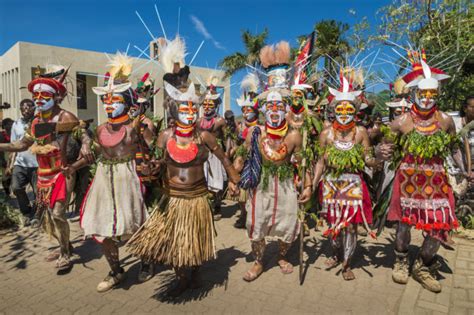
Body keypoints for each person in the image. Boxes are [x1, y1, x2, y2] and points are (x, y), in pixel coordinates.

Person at [127, 36, 240, 297]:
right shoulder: (166, 136)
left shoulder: (204, 136)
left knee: (197, 239)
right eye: (184, 107)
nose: (189, 111)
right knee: (177, 243)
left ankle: (197, 272)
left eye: (192, 107)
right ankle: (181, 279)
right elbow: (155, 160)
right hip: (174, 199)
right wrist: (149, 170)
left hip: (197, 198)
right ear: (174, 108)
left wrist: (233, 180)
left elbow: (223, 158)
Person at [68, 53, 154, 292]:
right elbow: (94, 154)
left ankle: (146, 262)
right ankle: (116, 271)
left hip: (130, 180)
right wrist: (74, 165)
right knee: (103, 227)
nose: (108, 103)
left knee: (136, 225)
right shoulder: (100, 130)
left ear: (126, 102)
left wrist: (148, 169)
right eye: (105, 99)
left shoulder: (137, 128)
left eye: (114, 99)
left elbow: (151, 155)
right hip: (104, 181)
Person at [0, 65, 93, 271]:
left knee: (59, 214)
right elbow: (20, 145)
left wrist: (85, 144)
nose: (38, 99)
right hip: (43, 175)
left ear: (55, 96)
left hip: (63, 172)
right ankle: (65, 245)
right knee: (47, 216)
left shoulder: (65, 117)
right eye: (36, 95)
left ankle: (66, 254)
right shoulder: (35, 121)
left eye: (43, 94)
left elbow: (83, 133)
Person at [388, 51, 463, 293]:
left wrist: (464, 172)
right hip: (408, 181)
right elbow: (385, 147)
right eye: (423, 93)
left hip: (438, 182)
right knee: (403, 226)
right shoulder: (401, 122)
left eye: (432, 94)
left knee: (440, 226)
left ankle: (423, 265)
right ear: (413, 93)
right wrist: (380, 153)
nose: (428, 98)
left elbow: (454, 149)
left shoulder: (445, 121)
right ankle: (400, 261)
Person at [236, 41, 311, 282]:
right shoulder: (256, 133)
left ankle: (281, 255)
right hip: (261, 185)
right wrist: (236, 170)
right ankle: (259, 261)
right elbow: (242, 155)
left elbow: (302, 163)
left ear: (287, 108)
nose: (275, 110)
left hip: (287, 184)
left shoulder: (294, 135)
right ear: (264, 110)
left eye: (280, 106)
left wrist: (307, 185)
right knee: (256, 222)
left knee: (287, 222)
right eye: (271, 106)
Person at [312, 74, 382, 281]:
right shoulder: (326, 134)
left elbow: (368, 158)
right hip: (331, 184)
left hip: (353, 183)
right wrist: (312, 184)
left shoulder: (360, 132)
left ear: (356, 111)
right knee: (333, 222)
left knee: (351, 225)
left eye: (348, 109)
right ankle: (335, 253)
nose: (344, 113)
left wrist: (376, 160)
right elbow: (320, 162)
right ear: (333, 111)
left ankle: (346, 263)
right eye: (339, 109)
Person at [197, 76, 227, 221]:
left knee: (217, 181)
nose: (207, 107)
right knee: (204, 181)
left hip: (216, 155)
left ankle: (217, 205)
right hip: (202, 155)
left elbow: (227, 138)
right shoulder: (198, 122)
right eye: (205, 104)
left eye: (210, 104)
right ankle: (207, 206)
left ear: (215, 105)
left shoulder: (221, 121)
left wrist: (226, 154)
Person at [7, 99, 38, 226]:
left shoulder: (39, 122)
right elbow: (14, 145)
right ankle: (26, 211)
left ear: (33, 108)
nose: (25, 110)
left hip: (37, 164)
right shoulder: (16, 124)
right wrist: (10, 165)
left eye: (28, 107)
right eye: (23, 108)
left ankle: (36, 214)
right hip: (20, 163)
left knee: (39, 192)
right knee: (16, 187)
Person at [0, 118, 14, 196]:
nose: (10, 126)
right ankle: (7, 191)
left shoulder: (14, 134)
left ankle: (13, 190)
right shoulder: (1, 135)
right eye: (8, 124)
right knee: (6, 176)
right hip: (4, 157)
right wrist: (2, 161)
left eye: (11, 124)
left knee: (14, 174)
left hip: (13, 155)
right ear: (4, 126)